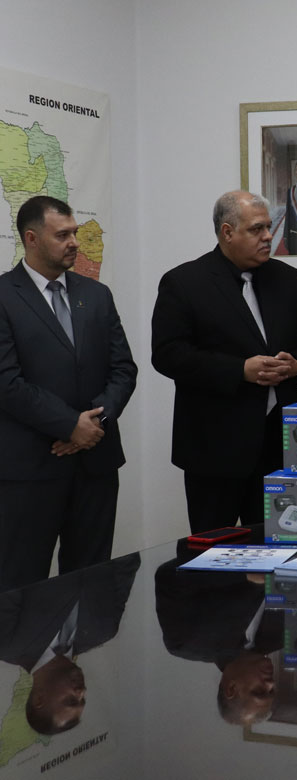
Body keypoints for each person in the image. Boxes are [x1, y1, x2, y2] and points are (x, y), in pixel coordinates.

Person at [152, 190, 297, 534]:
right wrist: (239, 370)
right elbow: (168, 354)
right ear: (227, 232)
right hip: (215, 448)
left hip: (280, 447)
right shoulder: (184, 283)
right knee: (213, 550)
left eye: (268, 227)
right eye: (257, 229)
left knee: (277, 545)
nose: (268, 236)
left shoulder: (287, 278)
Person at [0, 196, 138, 589]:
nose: (75, 242)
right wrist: (69, 425)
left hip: (95, 466)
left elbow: (123, 369)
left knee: (91, 584)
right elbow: (6, 382)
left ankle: (81, 638)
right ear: (31, 239)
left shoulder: (96, 295)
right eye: (62, 235)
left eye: (75, 233)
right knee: (22, 589)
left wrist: (94, 423)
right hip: (30, 470)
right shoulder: (4, 296)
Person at [0, 553, 140, 734]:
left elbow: (12, 565)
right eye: (83, 700)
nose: (82, 691)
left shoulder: (8, 644)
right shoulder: (103, 631)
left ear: (39, 699)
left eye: (71, 701)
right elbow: (127, 560)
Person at [154, 554, 283, 725]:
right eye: (272, 691)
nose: (270, 683)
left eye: (259, 691)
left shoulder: (185, 641)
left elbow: (169, 577)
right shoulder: (283, 636)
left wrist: (243, 573)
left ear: (231, 688)